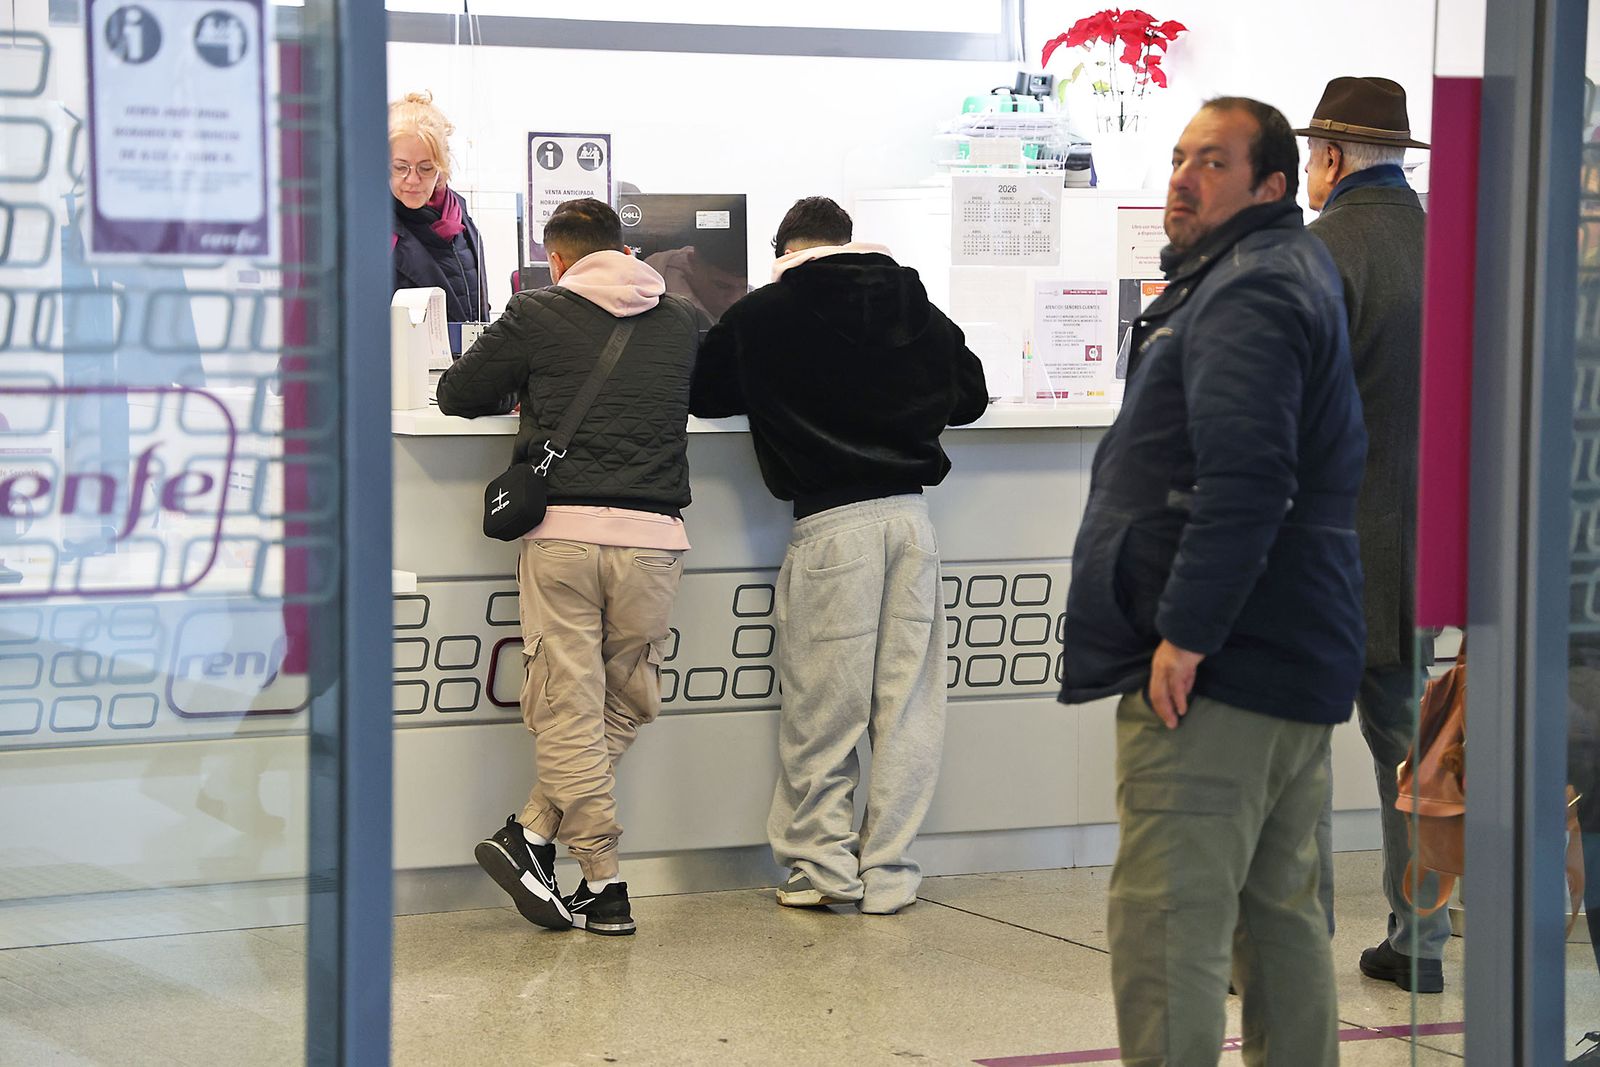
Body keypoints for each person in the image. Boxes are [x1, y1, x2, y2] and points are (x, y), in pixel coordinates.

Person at [1058, 98, 1365, 1066]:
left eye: (1213, 162)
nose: (1183, 177)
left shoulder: (1247, 288)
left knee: (1164, 920)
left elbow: (1245, 476)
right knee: (1275, 911)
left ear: (1272, 185)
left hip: (1223, 663)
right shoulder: (1272, 269)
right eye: (1180, 156)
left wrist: (1186, 631)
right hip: (1289, 644)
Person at [690, 197, 987, 915]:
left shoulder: (763, 315)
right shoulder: (916, 303)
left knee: (824, 707)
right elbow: (971, 397)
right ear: (848, 243)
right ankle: (889, 871)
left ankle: (823, 868)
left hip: (831, 527)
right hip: (913, 522)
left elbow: (703, 393)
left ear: (784, 247)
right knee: (909, 706)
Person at [436, 198, 702, 936]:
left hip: (565, 536)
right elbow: (711, 395)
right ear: (625, 249)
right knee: (623, 703)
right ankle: (534, 837)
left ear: (556, 259)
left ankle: (601, 878)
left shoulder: (536, 311)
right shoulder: (682, 319)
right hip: (654, 539)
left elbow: (457, 393)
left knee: (569, 706)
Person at [1297, 75, 1449, 994]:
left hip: (1324, 545)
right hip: (1421, 546)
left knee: (1292, 751)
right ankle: (1422, 938)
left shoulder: (1320, 252)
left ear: (1329, 158)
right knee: (1411, 750)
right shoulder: (1454, 250)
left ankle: (1291, 939)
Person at [389, 91, 488, 323]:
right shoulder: (370, 230)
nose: (412, 180)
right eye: (400, 167)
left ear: (442, 167)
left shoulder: (461, 217)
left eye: (426, 168)